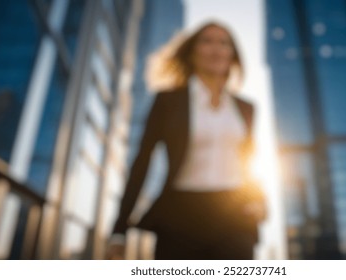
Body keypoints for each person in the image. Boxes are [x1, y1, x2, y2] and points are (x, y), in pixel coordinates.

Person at [106, 21, 266, 260]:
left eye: (224, 43)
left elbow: (250, 160)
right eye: (207, 41)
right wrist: (119, 230)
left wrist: (259, 200)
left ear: (233, 55)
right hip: (180, 217)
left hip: (235, 217)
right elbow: (142, 162)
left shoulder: (246, 108)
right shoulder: (168, 102)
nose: (216, 49)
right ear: (192, 52)